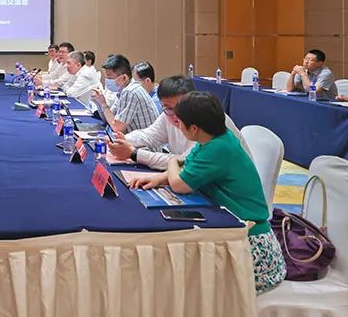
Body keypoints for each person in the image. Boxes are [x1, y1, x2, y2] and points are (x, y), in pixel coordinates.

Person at [128, 92, 285, 294]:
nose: (177, 125)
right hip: (239, 234)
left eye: (180, 122)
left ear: (193, 129)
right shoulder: (213, 139)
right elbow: (187, 167)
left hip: (250, 246)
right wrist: (158, 179)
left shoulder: (218, 149)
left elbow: (179, 184)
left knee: (188, 284)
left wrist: (171, 161)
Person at [109, 76, 251, 170]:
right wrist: (120, 140)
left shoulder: (210, 119)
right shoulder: (167, 115)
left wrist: (134, 154)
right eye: (168, 108)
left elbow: (185, 161)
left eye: (181, 107)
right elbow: (148, 135)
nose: (176, 115)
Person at [91, 54, 158, 134]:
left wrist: (104, 104)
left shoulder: (130, 92)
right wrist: (100, 102)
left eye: (110, 78)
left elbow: (117, 128)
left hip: (143, 141)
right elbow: (108, 119)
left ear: (124, 77)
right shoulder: (124, 90)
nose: (107, 81)